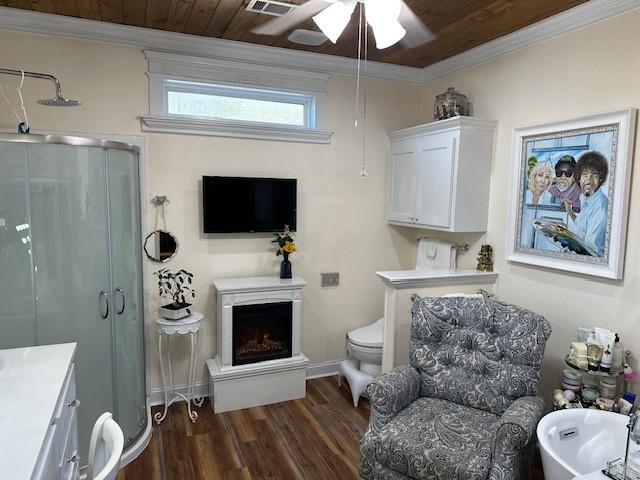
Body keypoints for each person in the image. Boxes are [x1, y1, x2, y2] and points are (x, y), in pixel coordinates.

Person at [563, 151, 609, 256]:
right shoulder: (587, 198)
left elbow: (591, 251)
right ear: (579, 179)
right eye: (585, 175)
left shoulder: (600, 207)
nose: (588, 181)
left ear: (601, 179)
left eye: (594, 176)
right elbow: (582, 225)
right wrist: (569, 211)